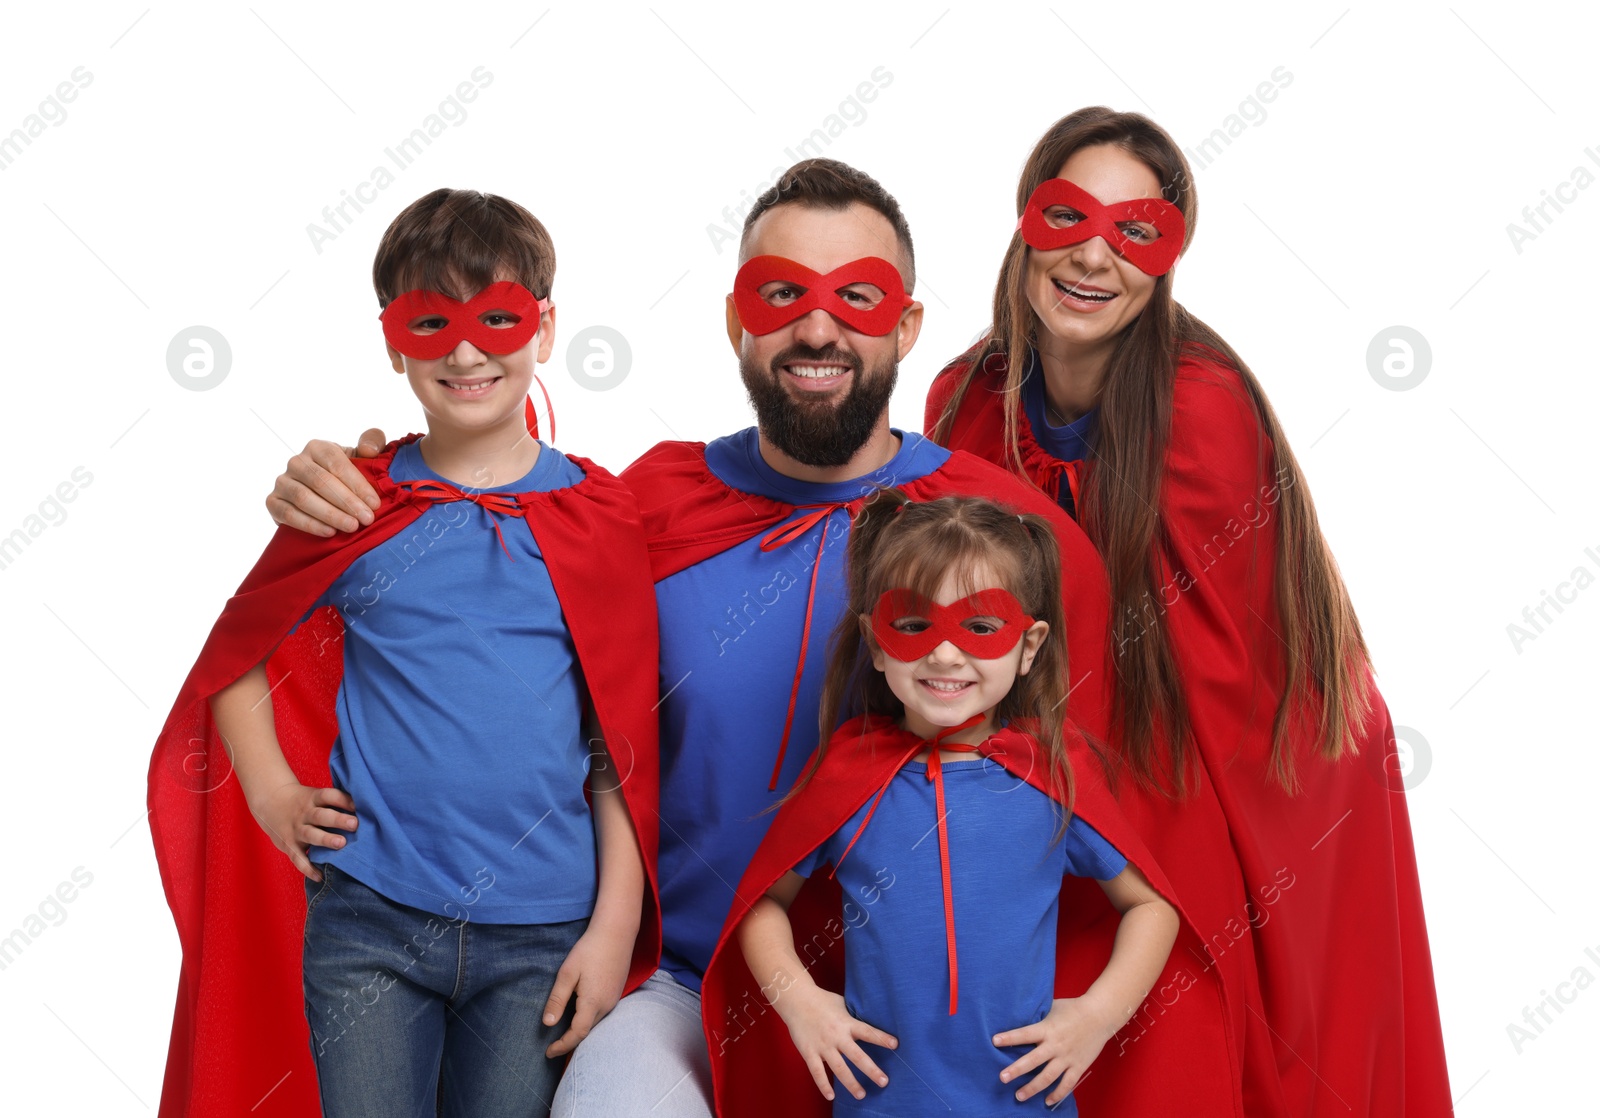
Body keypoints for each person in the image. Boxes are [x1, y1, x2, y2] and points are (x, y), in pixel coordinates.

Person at [261, 160, 1242, 1117]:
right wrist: (362, 481)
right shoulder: (638, 508)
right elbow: (481, 566)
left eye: (856, 298)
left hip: (926, 1026)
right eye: (781, 295)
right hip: (678, 977)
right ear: (738, 318)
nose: (816, 328)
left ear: (905, 325)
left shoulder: (1000, 537)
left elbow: (1101, 797)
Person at [925, 107, 1453, 1116]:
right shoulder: (965, 396)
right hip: (1069, 752)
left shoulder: (1199, 402)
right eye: (1068, 217)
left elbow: (1218, 672)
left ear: (1167, 258)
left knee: (1247, 1032)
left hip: (1251, 761)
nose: (1092, 256)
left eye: (1135, 233)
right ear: (1025, 222)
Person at [147, 188, 662, 1118]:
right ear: (394, 344)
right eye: (432, 323)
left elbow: (620, 739)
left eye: (496, 318)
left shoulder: (597, 517)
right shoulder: (359, 502)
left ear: (545, 329)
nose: (465, 352)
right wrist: (271, 794)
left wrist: (616, 921)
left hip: (542, 935)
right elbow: (235, 654)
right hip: (371, 921)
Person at [704, 491, 1188, 1118]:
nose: (944, 654)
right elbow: (762, 903)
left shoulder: (1051, 777)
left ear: (1029, 645)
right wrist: (801, 1002)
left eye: (981, 627)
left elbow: (1153, 907)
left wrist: (1097, 1017)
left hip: (1025, 1103)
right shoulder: (852, 777)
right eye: (912, 625)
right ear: (875, 645)